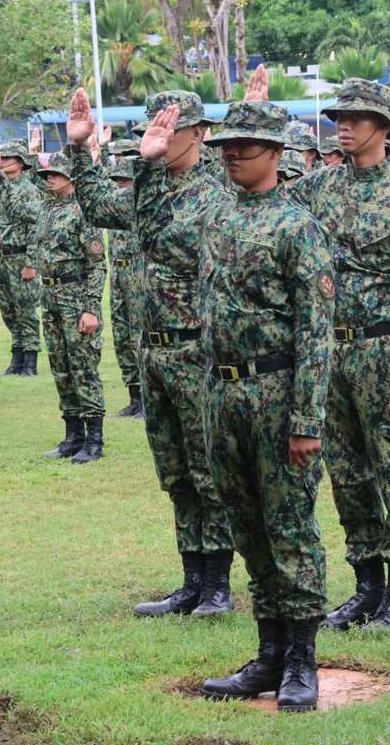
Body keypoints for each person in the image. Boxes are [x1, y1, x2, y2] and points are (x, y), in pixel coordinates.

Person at [68, 88, 237, 617]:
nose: (157, 136)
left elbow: (166, 232)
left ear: (199, 134)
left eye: (170, 128)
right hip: (156, 353)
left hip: (199, 352)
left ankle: (218, 585)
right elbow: (98, 207)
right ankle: (191, 580)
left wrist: (144, 170)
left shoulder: (218, 193)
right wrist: (79, 148)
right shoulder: (152, 188)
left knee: (210, 471)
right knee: (176, 472)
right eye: (152, 127)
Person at [193, 99, 334, 712]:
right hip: (221, 393)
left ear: (277, 154)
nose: (233, 154)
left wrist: (306, 420)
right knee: (246, 524)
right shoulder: (216, 215)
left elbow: (316, 332)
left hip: (277, 394)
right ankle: (269, 652)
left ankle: (303, 658)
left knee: (291, 529)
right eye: (226, 144)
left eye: (247, 146)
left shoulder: (297, 227)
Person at [288, 78, 390, 632]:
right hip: (332, 353)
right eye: (339, 118)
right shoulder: (316, 189)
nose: (343, 126)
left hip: (385, 350)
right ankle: (365, 584)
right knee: (348, 474)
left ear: (384, 126)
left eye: (356, 118)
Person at [26, 152, 108, 463]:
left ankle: (95, 440)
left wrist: (90, 307)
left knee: (83, 367)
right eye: (48, 174)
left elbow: (98, 265)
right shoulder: (46, 208)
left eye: (56, 174)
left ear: (72, 178)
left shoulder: (83, 211)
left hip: (76, 296)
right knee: (61, 367)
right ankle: (73, 436)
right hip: (50, 297)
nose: (49, 178)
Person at [0, 138, 44, 376]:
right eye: (2, 158)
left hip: (21, 256)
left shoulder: (28, 189)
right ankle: (17, 356)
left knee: (26, 310)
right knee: (8, 310)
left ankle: (30, 361)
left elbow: (35, 228)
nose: (3, 163)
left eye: (8, 159)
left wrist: (31, 263)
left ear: (20, 163)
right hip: (1, 257)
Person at [103, 140, 145, 418]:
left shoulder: (142, 207)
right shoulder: (115, 207)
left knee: (138, 335)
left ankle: (147, 398)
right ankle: (133, 395)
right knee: (120, 336)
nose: (121, 185)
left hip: (137, 273)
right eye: (117, 180)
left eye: (125, 180)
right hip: (117, 273)